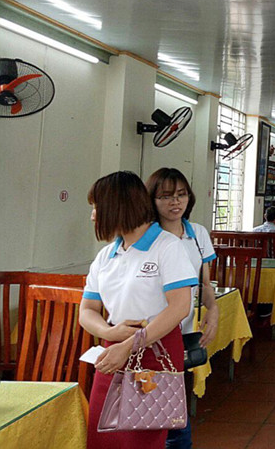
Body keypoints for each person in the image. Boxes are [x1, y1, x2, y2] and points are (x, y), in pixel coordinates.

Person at [80, 171, 197, 449]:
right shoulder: (106, 255)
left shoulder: (167, 247)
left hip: (156, 351)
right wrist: (110, 333)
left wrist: (130, 345)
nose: (93, 216)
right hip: (112, 351)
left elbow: (180, 307)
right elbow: (87, 310)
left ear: (117, 206)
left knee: (141, 439)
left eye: (97, 207)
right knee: (102, 435)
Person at [146, 168, 219, 449]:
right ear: (151, 200)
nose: (175, 202)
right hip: (152, 332)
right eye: (165, 196)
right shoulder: (147, 235)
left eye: (181, 194)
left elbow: (205, 283)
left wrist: (213, 310)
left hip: (184, 331)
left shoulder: (197, 233)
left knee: (172, 406)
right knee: (161, 410)